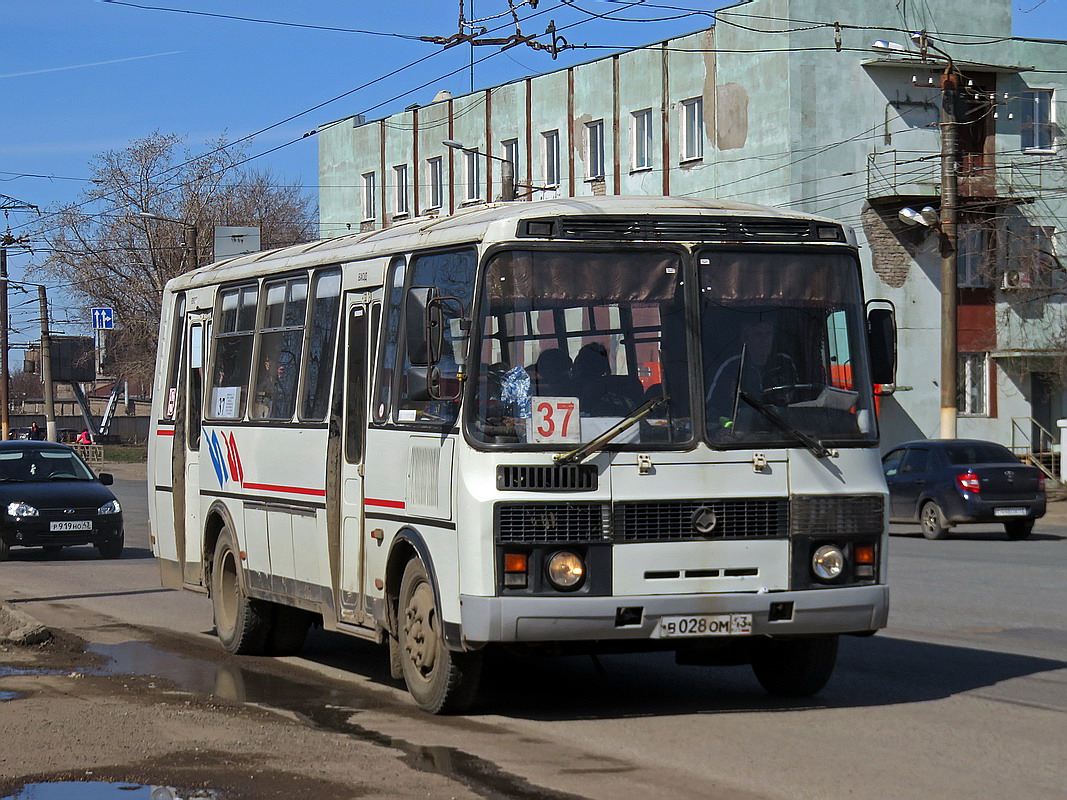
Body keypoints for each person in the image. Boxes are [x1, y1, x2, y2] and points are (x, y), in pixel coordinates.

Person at [706, 318, 798, 428]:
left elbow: (799, 401)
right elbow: (712, 408)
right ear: (745, 338)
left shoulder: (785, 362)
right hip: (739, 436)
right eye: (758, 334)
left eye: (768, 334)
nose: (764, 340)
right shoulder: (731, 366)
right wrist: (727, 425)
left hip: (784, 432)